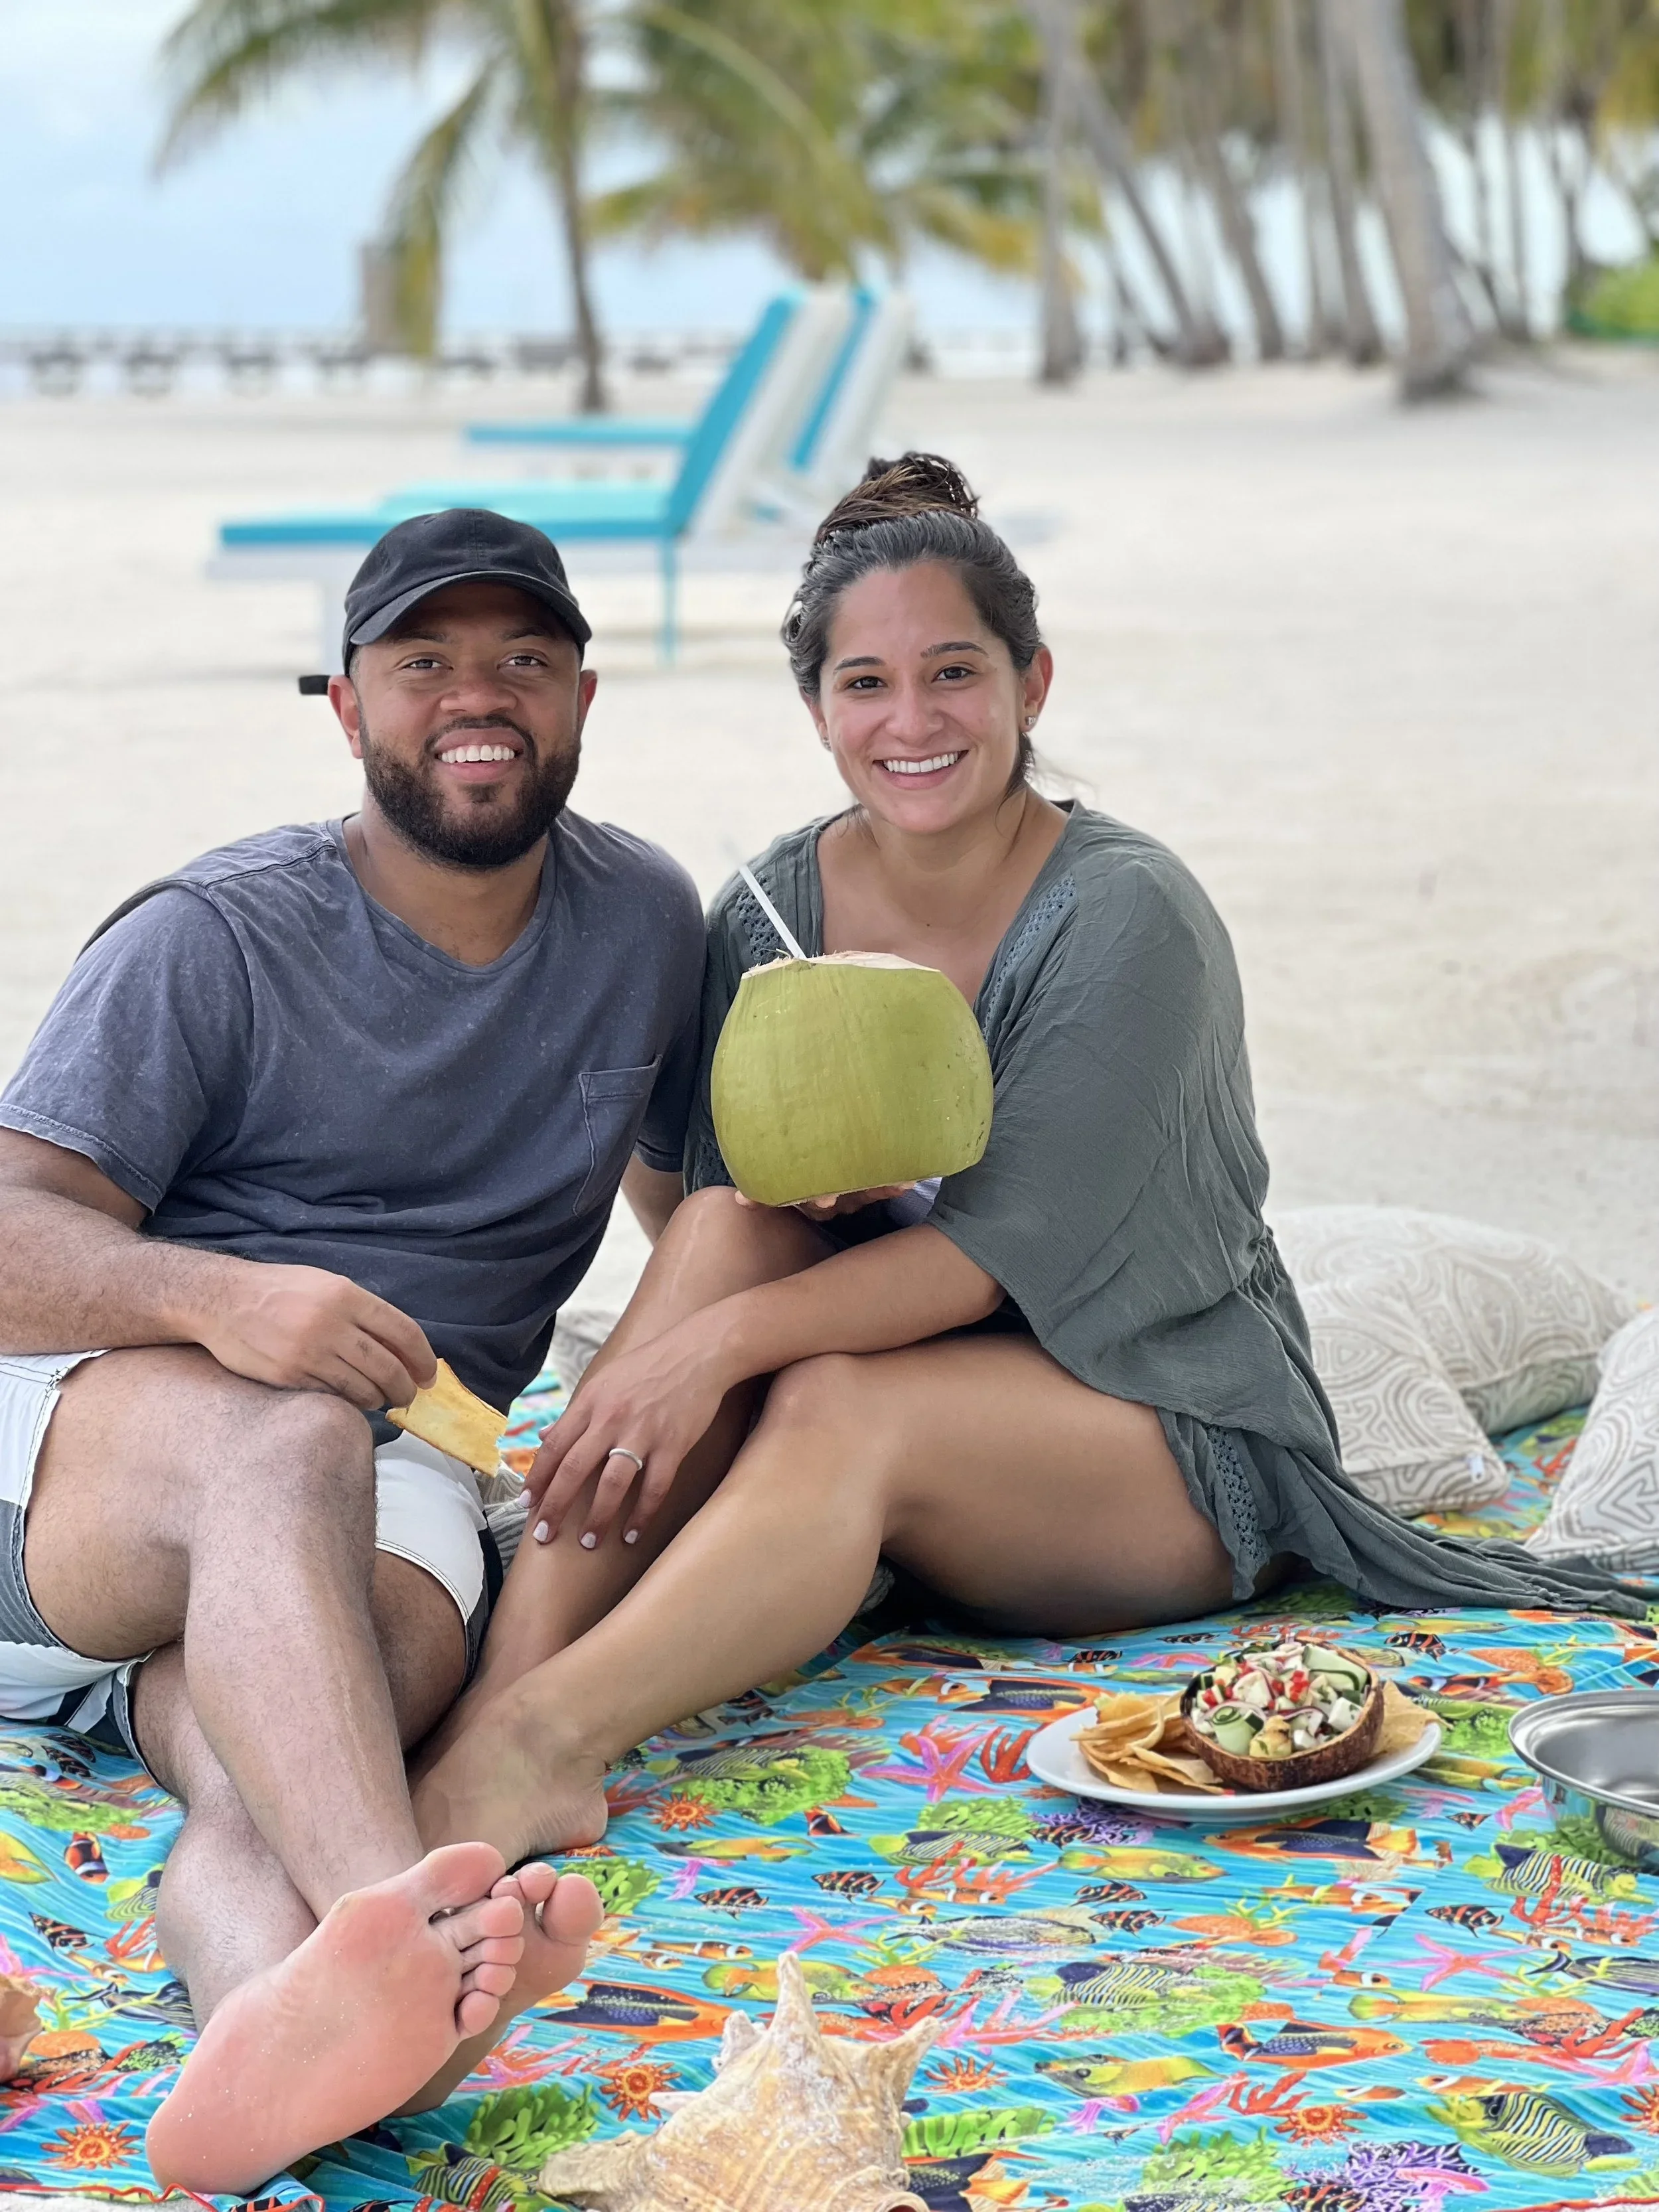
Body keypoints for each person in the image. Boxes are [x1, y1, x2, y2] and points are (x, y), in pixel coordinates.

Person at [411, 453, 1644, 1872]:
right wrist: (758, 1232)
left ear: (1030, 683)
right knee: (718, 1242)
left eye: (952, 672)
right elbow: (694, 1195)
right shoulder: (773, 908)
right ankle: (500, 1686)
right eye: (864, 683)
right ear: (816, 708)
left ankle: (540, 1744)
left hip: (1151, 1430)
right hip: (910, 1400)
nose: (911, 720)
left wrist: (710, 1353)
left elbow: (996, 1251)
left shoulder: (1126, 916)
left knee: (824, 1395)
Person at [0, 509, 705, 2191]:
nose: (480, 696)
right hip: (92, 1465)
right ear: (346, 705)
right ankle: (429, 1933)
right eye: (425, 663)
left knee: (273, 1770)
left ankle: (311, 2037)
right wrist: (227, 1303)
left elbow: (695, 1205)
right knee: (290, 1441)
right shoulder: (216, 935)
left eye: (522, 660)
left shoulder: (642, 926)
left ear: (584, 697)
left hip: (397, 1479)